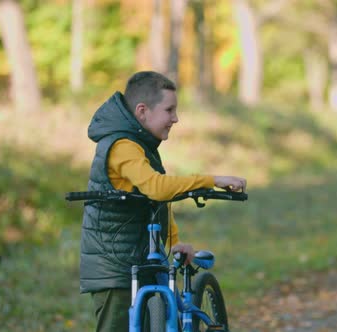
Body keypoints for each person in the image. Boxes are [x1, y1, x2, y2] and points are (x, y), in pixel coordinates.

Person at [79, 71, 247, 331]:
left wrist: (175, 243)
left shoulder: (141, 143)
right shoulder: (122, 146)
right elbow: (157, 189)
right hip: (115, 268)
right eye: (169, 110)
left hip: (138, 259)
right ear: (143, 110)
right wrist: (211, 180)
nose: (175, 118)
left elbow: (154, 202)